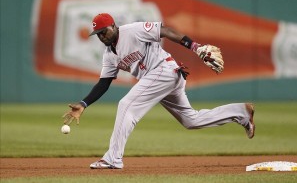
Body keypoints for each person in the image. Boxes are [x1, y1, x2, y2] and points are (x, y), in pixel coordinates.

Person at [63, 13, 255, 169]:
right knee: (191, 120)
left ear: (113, 26)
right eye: (97, 34)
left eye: (103, 31)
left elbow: (166, 31)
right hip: (162, 77)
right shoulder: (109, 56)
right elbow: (103, 83)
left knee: (126, 105)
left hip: (164, 70)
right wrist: (83, 104)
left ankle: (113, 158)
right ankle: (241, 113)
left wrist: (195, 47)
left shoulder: (132, 30)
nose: (101, 36)